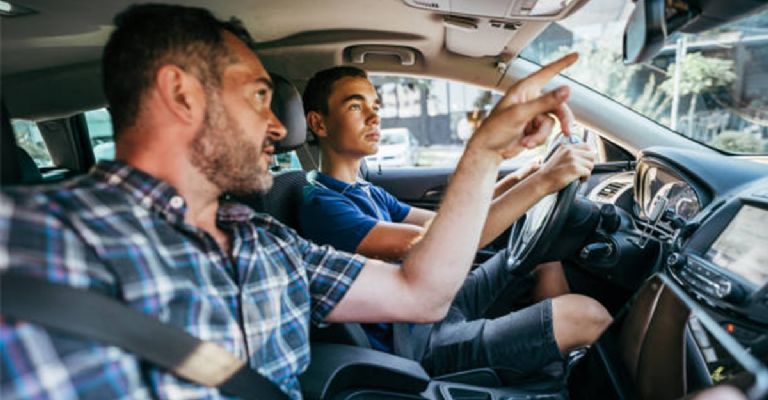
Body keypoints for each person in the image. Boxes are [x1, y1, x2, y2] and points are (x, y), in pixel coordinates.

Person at [1, 4, 589, 399]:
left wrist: (486, 153)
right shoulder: (32, 237)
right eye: (259, 95)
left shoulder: (269, 242)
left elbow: (422, 292)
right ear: (182, 94)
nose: (279, 127)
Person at [299, 66, 612, 377]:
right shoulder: (322, 205)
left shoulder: (366, 190)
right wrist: (543, 182)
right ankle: (565, 365)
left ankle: (559, 369)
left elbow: (445, 223)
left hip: (437, 302)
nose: (374, 117)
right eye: (356, 106)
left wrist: (519, 179)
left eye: (375, 106)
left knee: (543, 257)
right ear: (318, 123)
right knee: (586, 315)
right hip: (415, 343)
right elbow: (439, 244)